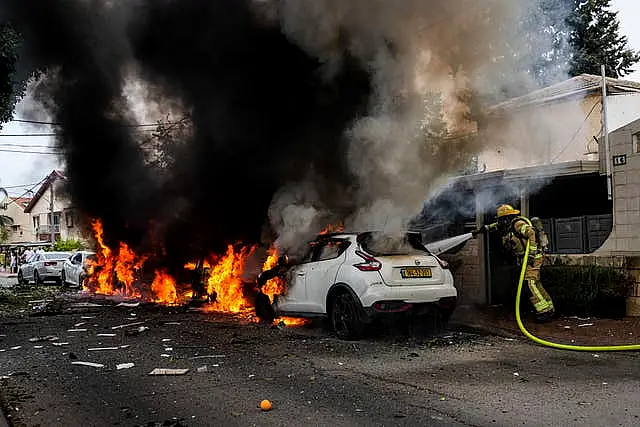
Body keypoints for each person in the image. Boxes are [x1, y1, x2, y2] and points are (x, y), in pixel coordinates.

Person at [473, 204, 555, 323]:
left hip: (533, 257)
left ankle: (544, 312)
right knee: (535, 283)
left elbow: (531, 233)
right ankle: (549, 307)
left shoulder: (517, 224)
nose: (499, 222)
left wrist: (531, 254)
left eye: (501, 219)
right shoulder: (506, 225)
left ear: (507, 218)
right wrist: (482, 230)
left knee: (529, 283)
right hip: (525, 258)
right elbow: (494, 226)